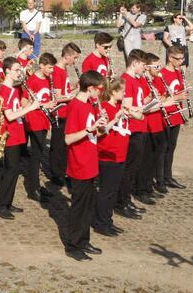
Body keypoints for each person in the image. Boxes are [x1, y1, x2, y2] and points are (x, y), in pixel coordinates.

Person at [63, 70, 107, 261]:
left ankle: (84, 240)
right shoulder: (75, 106)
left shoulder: (90, 104)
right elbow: (68, 138)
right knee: (78, 207)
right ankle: (73, 245)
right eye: (99, 90)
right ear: (90, 89)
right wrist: (89, 128)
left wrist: (101, 126)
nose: (101, 93)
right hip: (79, 164)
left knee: (88, 206)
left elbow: (93, 133)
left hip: (90, 161)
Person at [0, 57, 40, 220]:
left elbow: (16, 109)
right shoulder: (4, 90)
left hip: (17, 133)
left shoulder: (13, 89)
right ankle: (1, 205)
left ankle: (7, 202)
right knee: (10, 170)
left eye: (20, 70)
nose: (20, 73)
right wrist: (31, 108)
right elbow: (10, 115)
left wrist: (28, 105)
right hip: (10, 134)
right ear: (7, 71)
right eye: (16, 70)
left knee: (14, 170)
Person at [135, 53, 177, 205]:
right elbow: (143, 107)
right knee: (146, 159)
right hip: (148, 125)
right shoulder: (143, 82)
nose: (159, 69)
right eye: (156, 66)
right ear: (148, 67)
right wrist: (160, 102)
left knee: (153, 158)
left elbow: (161, 98)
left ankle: (148, 187)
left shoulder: (153, 80)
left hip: (158, 123)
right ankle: (141, 189)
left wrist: (165, 99)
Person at [93, 78, 131, 238]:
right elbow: (101, 132)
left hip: (119, 153)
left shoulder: (117, 106)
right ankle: (101, 223)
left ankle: (108, 220)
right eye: (122, 91)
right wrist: (115, 118)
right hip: (108, 155)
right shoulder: (106, 108)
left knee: (113, 190)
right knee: (106, 191)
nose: (125, 94)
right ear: (114, 92)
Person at [116, 49, 149, 219]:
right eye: (143, 65)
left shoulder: (135, 80)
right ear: (135, 63)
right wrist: (143, 109)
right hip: (133, 128)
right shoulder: (127, 80)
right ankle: (122, 202)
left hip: (140, 126)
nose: (145, 68)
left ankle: (126, 199)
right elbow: (127, 109)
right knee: (129, 168)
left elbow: (139, 102)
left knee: (134, 167)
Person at [21, 52, 57, 203]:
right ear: (41, 65)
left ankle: (36, 186)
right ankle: (33, 189)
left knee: (39, 154)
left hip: (44, 121)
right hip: (34, 121)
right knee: (36, 157)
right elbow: (24, 102)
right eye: (49, 67)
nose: (52, 70)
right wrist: (44, 104)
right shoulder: (32, 80)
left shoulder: (48, 79)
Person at [49, 42, 82, 186]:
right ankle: (56, 174)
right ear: (67, 56)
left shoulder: (63, 70)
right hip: (59, 114)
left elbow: (64, 91)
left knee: (64, 146)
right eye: (74, 58)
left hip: (66, 112)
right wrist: (75, 97)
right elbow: (57, 97)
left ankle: (62, 171)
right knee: (58, 146)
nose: (75, 61)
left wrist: (74, 87)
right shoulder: (57, 71)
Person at [158, 46, 189, 190]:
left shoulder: (179, 72)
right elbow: (161, 98)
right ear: (170, 58)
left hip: (177, 114)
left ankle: (168, 176)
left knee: (172, 147)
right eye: (179, 59)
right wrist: (177, 96)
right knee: (163, 148)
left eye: (183, 59)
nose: (182, 62)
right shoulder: (161, 74)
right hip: (166, 115)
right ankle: (160, 179)